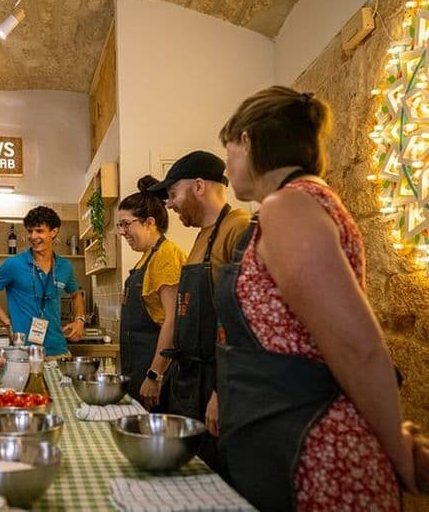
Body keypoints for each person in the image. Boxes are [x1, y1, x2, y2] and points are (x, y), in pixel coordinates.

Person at [214, 85, 422, 509]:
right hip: (291, 440)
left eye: (228, 150)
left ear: (247, 141)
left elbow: (357, 348)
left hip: (318, 453)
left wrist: (400, 453)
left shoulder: (287, 207)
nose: (227, 165)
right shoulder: (304, 202)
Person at [148, 149, 251, 470]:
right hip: (190, 380)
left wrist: (221, 391)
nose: (169, 204)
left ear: (198, 186)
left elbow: (244, 320)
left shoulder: (238, 228)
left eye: (172, 194)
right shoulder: (201, 237)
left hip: (215, 381)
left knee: (214, 475)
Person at [0, 206, 86, 357]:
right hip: (23, 352)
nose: (33, 236)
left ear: (53, 232)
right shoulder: (13, 264)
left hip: (58, 350)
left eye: (39, 231)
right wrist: (7, 323)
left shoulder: (65, 266)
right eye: (30, 231)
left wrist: (79, 319)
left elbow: (76, 294)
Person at [117, 176, 186, 408]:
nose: (122, 232)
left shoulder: (166, 256)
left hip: (158, 375)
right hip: (139, 369)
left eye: (126, 224)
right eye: (120, 226)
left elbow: (173, 321)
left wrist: (155, 374)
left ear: (149, 222)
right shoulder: (147, 257)